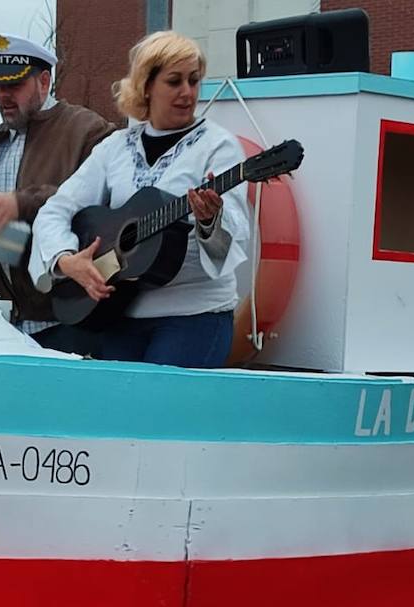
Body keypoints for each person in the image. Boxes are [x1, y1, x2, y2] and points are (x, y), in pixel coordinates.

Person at [29, 31, 250, 368]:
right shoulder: (114, 148)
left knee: (163, 414)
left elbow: (231, 232)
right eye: (174, 81)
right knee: (121, 415)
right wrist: (66, 259)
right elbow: (55, 210)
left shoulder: (218, 147)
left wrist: (209, 222)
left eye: (194, 80)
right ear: (146, 86)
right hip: (120, 313)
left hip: (195, 317)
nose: (187, 92)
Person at [0, 33, 115, 354]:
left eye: (14, 85)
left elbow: (104, 208)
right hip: (1, 327)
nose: (4, 96)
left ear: (44, 81)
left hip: (68, 322)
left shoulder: (88, 131)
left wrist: (21, 204)